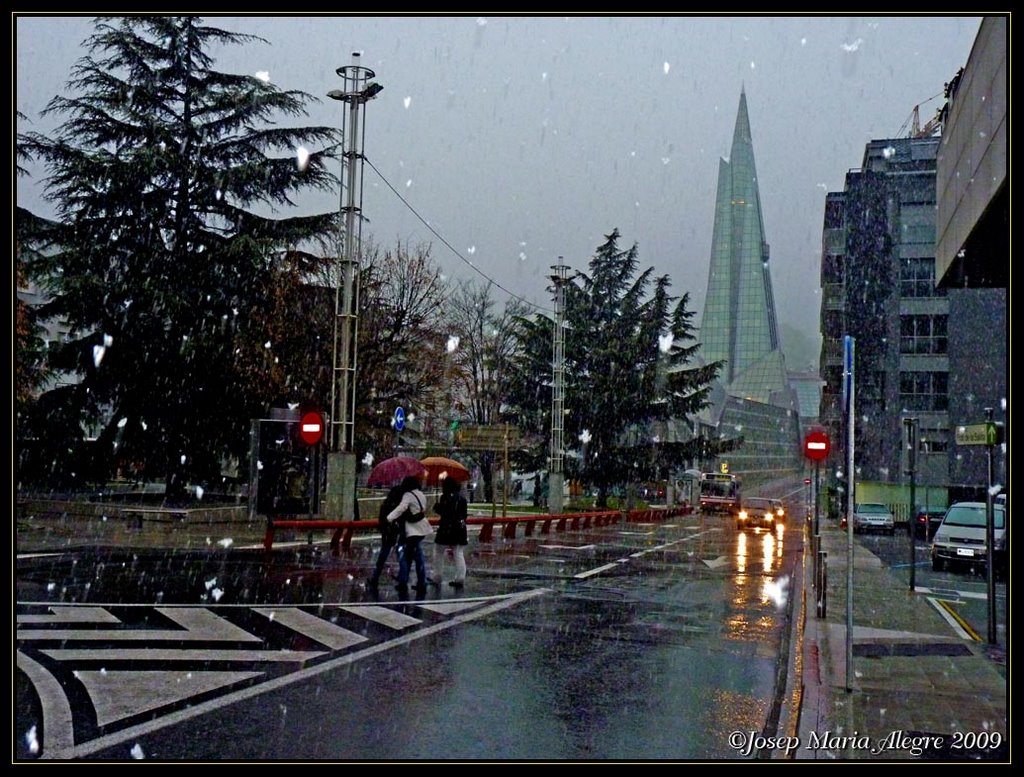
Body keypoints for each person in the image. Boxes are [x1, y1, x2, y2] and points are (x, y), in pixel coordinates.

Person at [385, 475, 432, 594]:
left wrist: (389, 518)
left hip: (411, 530)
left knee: (403, 555)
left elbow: (401, 508)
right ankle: (421, 581)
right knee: (416, 556)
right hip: (421, 528)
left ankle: (404, 581)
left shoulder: (408, 495)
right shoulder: (421, 494)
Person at [430, 476, 468, 588]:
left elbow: (445, 512)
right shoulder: (462, 498)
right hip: (459, 529)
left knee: (438, 551)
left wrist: (437, 508)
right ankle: (460, 577)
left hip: (446, 528)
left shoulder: (445, 497)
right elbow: (464, 515)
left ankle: (437, 576)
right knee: (458, 553)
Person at [367, 485, 403, 590]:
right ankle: (402, 577)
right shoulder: (399, 506)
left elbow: (381, 520)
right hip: (397, 531)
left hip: (387, 533)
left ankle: (375, 577)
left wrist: (384, 529)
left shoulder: (386, 504)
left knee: (383, 556)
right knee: (401, 556)